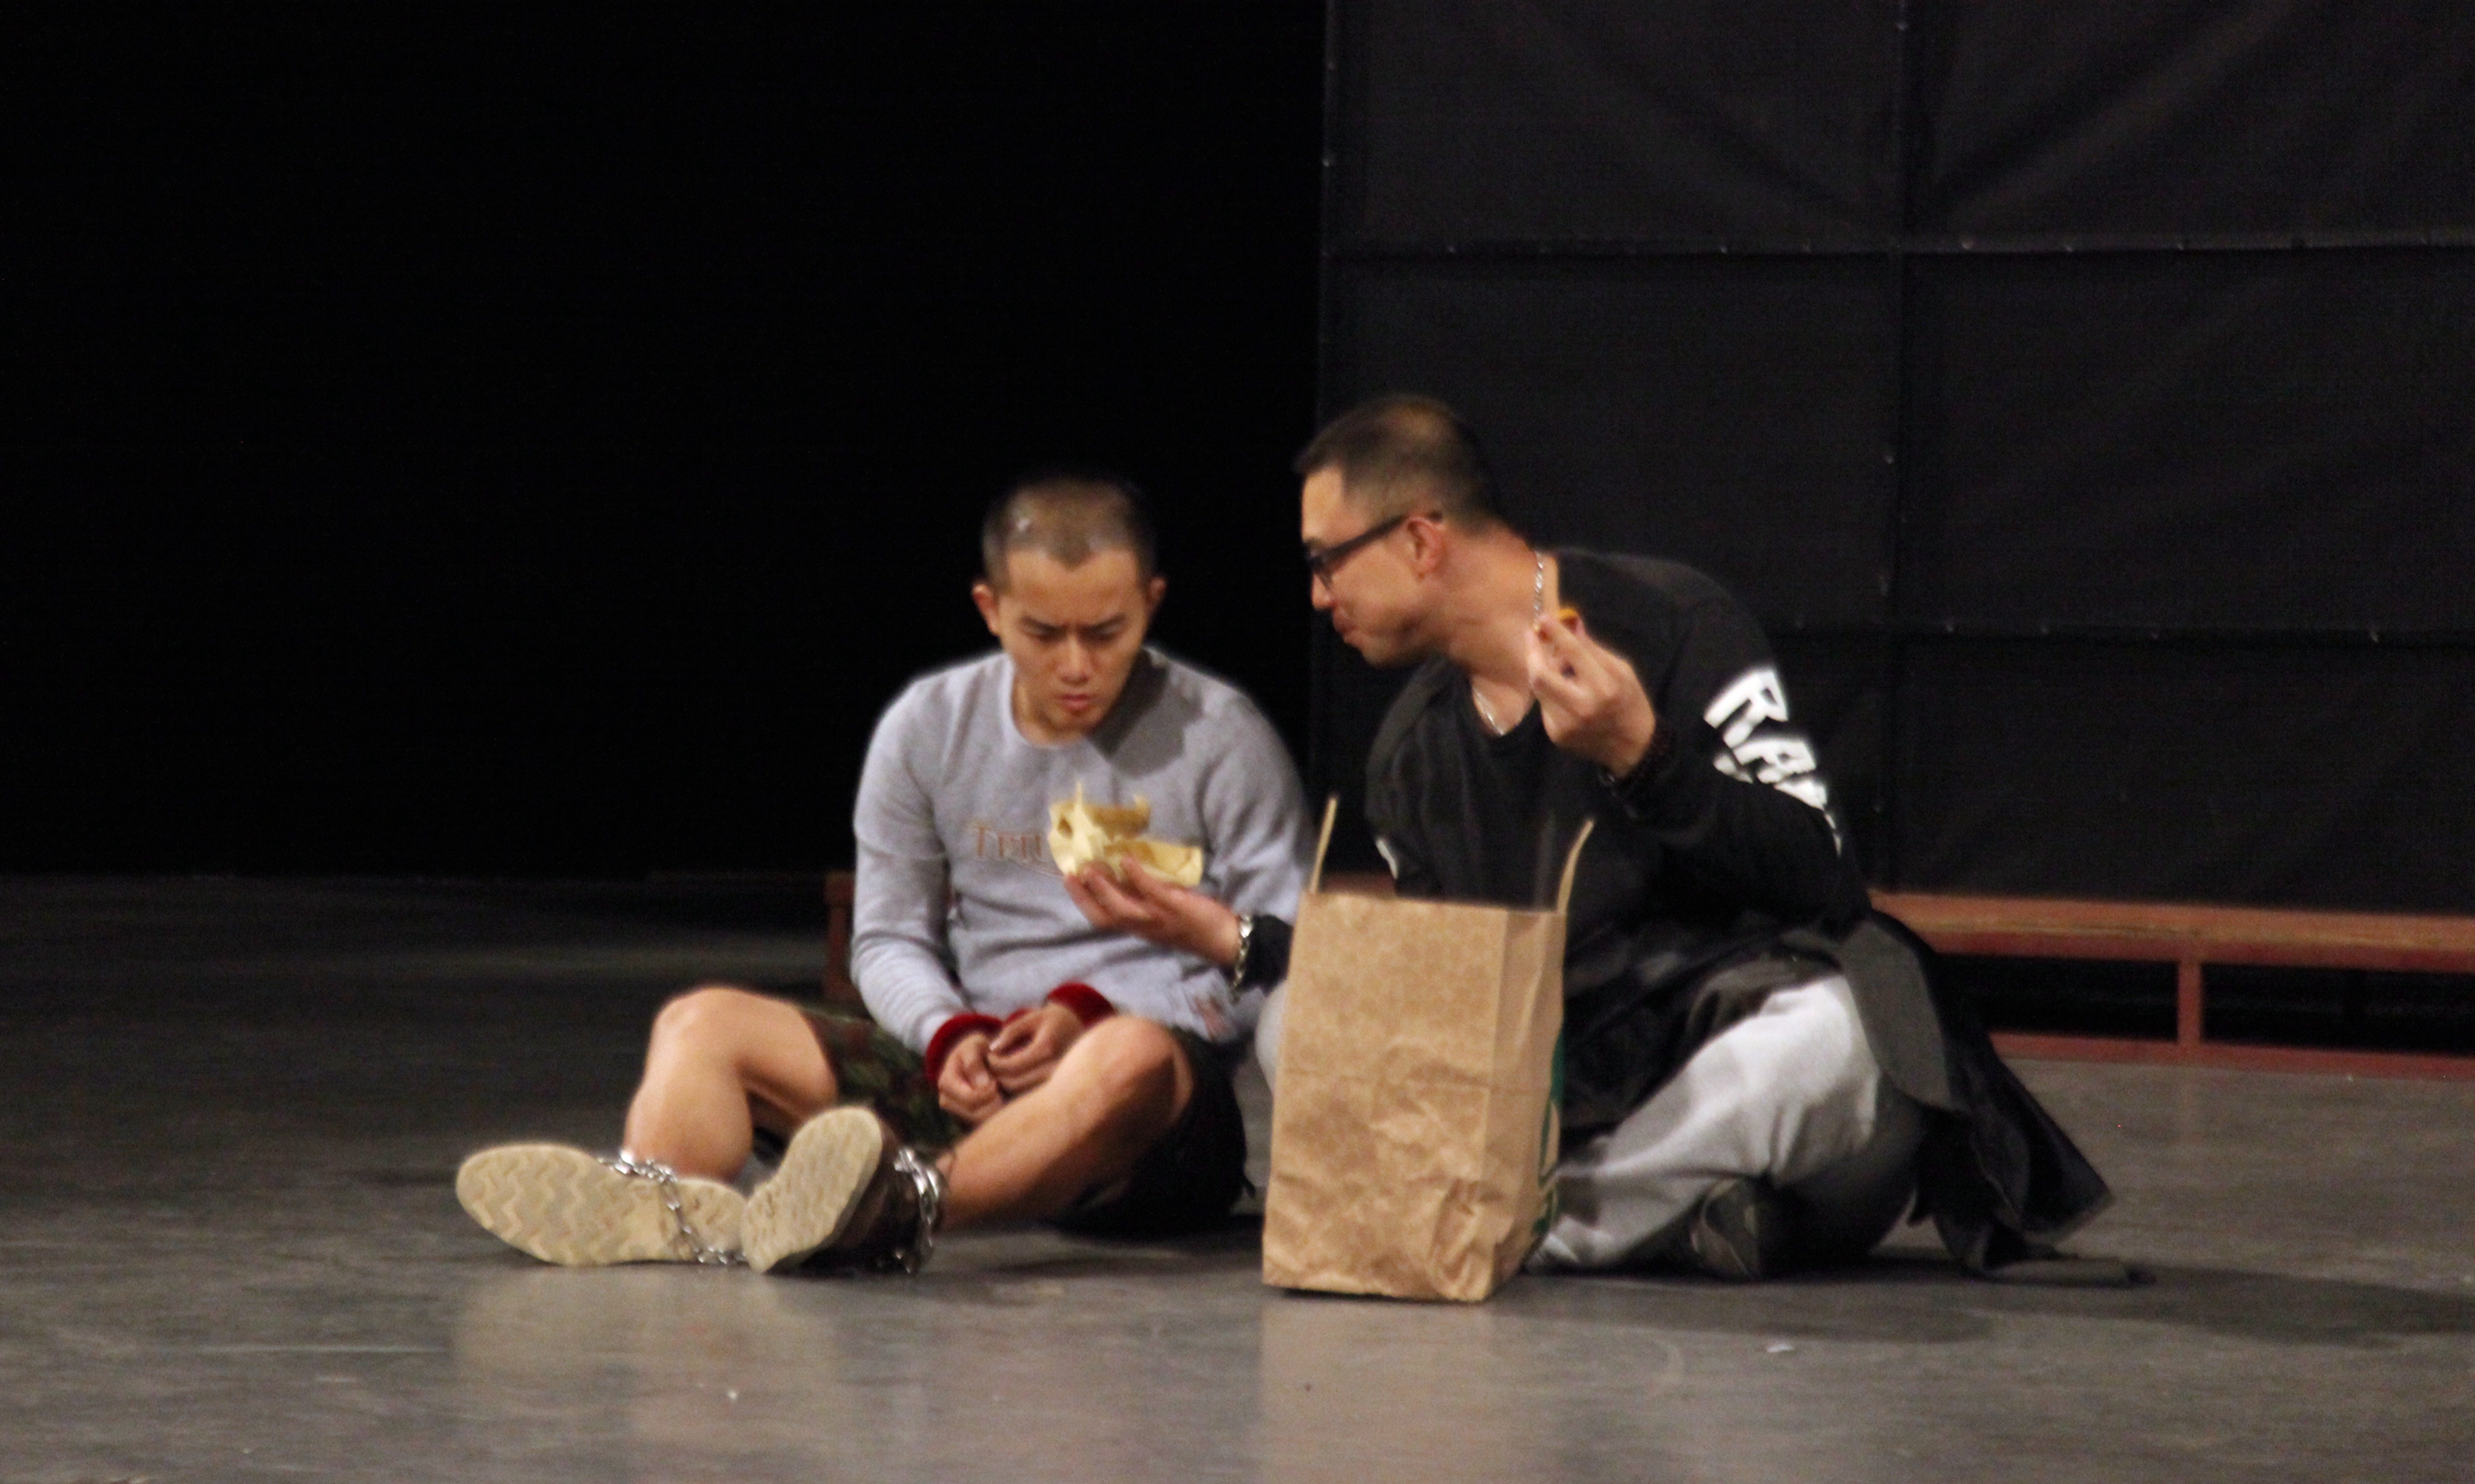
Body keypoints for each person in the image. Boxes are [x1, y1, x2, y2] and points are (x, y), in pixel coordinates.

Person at [1283, 393, 2108, 1279]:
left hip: (1749, 1071)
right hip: (1577, 1100)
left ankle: (1542, 1225)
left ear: (1419, 541)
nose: (1318, 594)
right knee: (1293, 1018)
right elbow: (1454, 1013)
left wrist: (1642, 756)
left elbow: (1826, 881)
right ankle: (1678, 1219)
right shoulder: (1408, 758)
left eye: (1327, 559)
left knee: (1840, 1038)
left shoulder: (1671, 623)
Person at [459, 473, 1311, 1273]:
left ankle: (898, 1207)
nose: (1077, 664)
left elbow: (1281, 956)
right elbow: (888, 937)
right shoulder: (929, 726)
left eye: (1107, 631)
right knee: (701, 1022)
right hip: (976, 1072)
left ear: (1151, 602)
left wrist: (1086, 1017)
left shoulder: (1220, 736)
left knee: (1126, 1054)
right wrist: (948, 1034)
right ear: (990, 609)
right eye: (1044, 633)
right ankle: (663, 1208)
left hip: (1147, 1120)